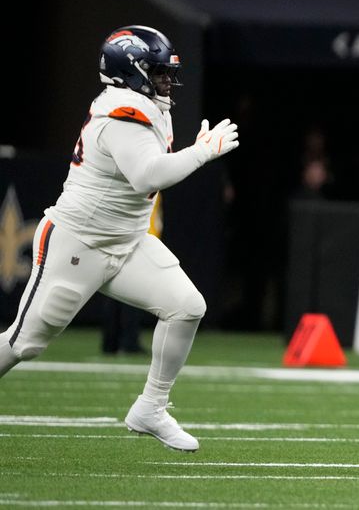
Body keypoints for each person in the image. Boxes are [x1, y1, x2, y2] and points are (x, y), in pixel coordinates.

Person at [0, 25, 239, 452]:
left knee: (186, 307)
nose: (166, 80)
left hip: (127, 241)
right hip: (79, 241)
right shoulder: (121, 111)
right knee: (25, 342)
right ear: (129, 72)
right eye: (157, 71)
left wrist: (195, 150)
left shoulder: (148, 105)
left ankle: (151, 407)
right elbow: (146, 175)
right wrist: (203, 152)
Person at [101, 193, 163, 355]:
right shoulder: (145, 183)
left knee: (114, 294)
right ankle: (129, 342)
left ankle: (110, 343)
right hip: (138, 243)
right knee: (132, 297)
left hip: (118, 242)